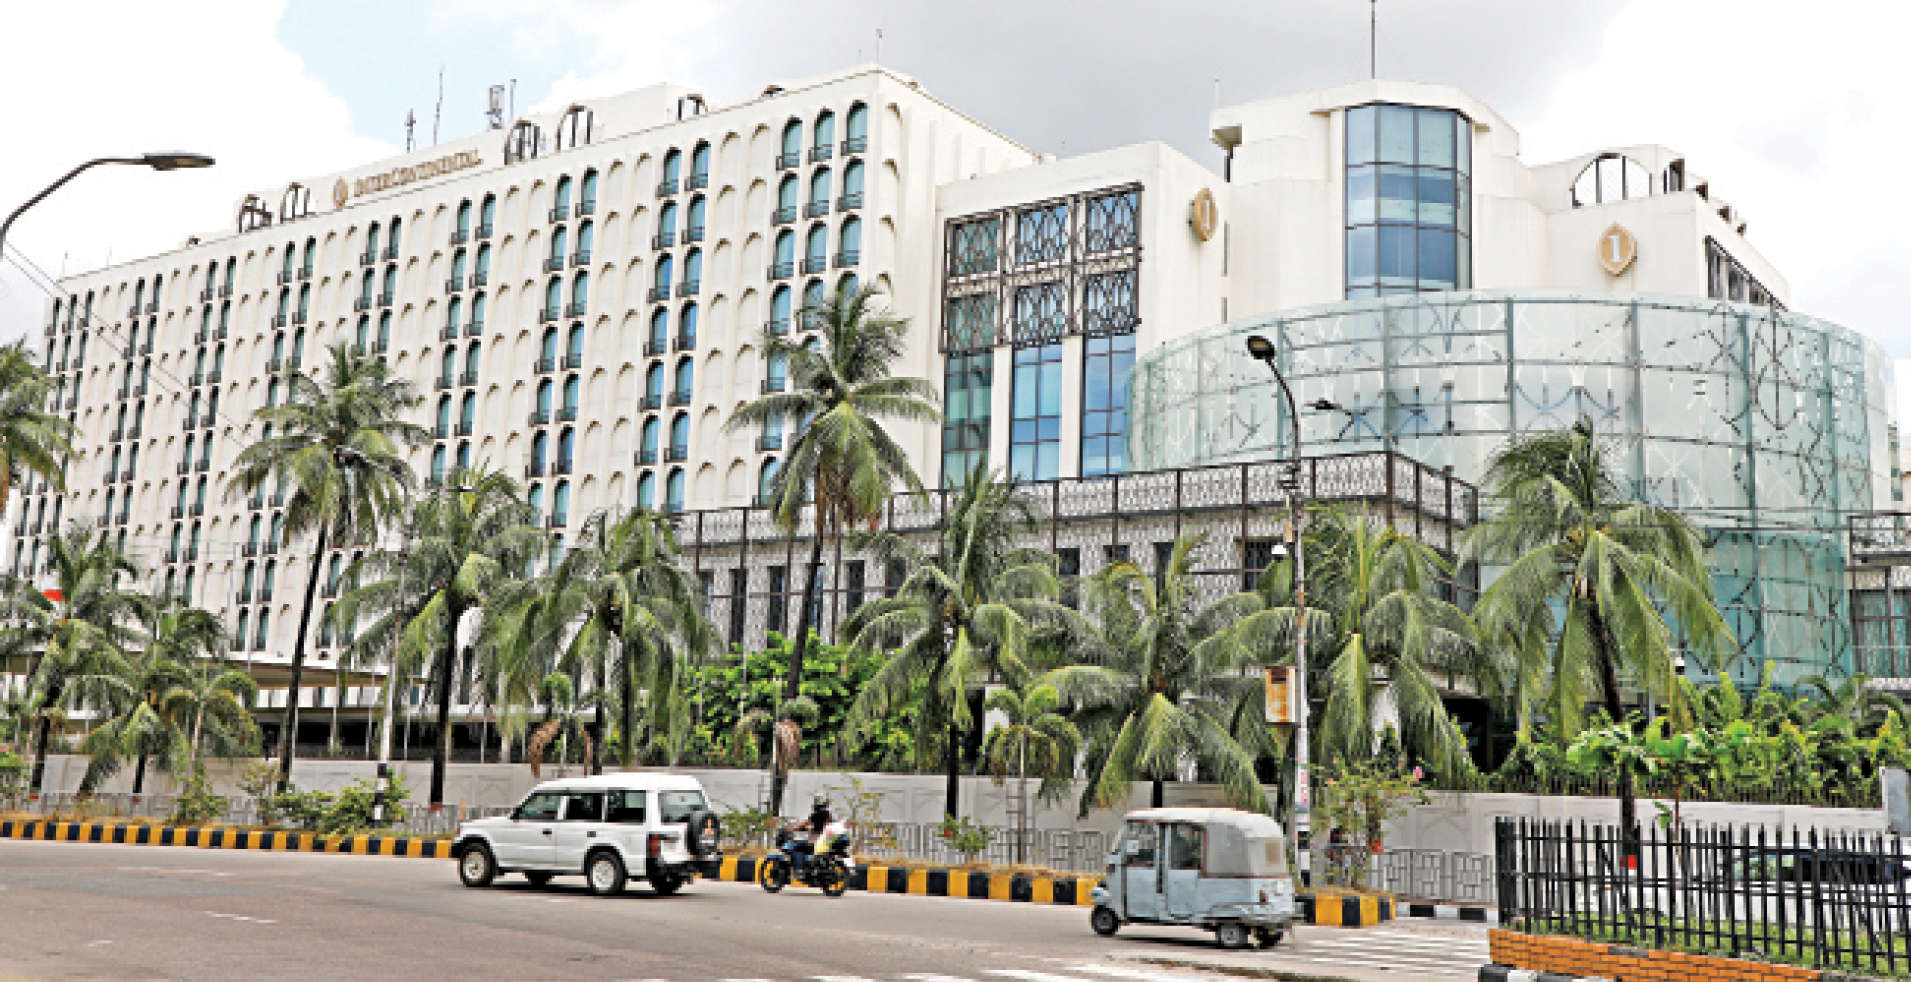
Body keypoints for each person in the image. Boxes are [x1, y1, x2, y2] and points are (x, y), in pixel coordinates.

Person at [790, 794, 832, 877]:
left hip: (816, 840)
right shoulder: (828, 815)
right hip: (826, 840)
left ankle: (799, 870)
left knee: (796, 848)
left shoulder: (815, 815)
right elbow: (824, 826)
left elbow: (804, 824)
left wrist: (793, 829)